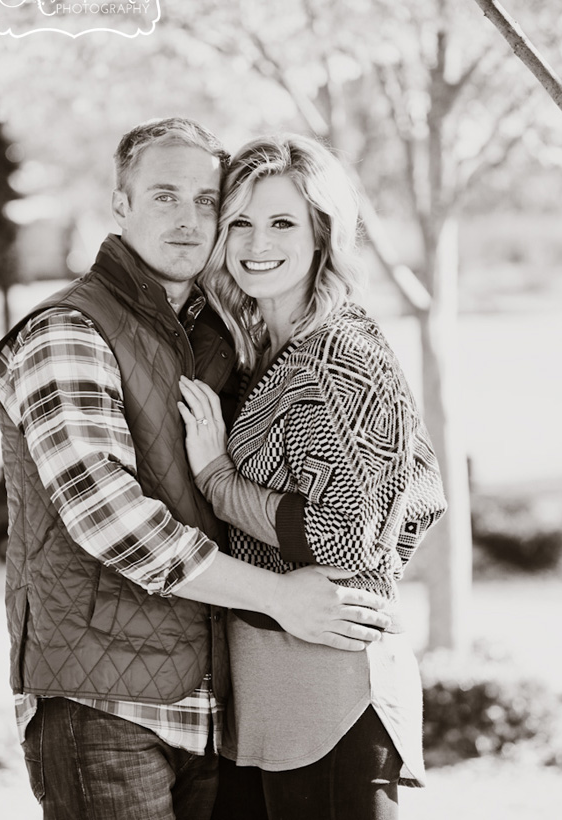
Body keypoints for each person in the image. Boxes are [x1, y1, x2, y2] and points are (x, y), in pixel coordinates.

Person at [0, 119, 391, 820]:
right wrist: (278, 596)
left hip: (211, 708)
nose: (189, 219)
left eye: (208, 201)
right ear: (121, 205)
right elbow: (112, 520)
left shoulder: (216, 334)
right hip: (100, 705)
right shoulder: (66, 331)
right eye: (165, 196)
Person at [177, 133, 448, 820]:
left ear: (323, 235)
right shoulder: (267, 346)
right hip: (270, 690)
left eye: (281, 222)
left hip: (331, 692)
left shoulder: (339, 357)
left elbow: (345, 537)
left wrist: (215, 477)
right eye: (239, 221)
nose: (255, 242)